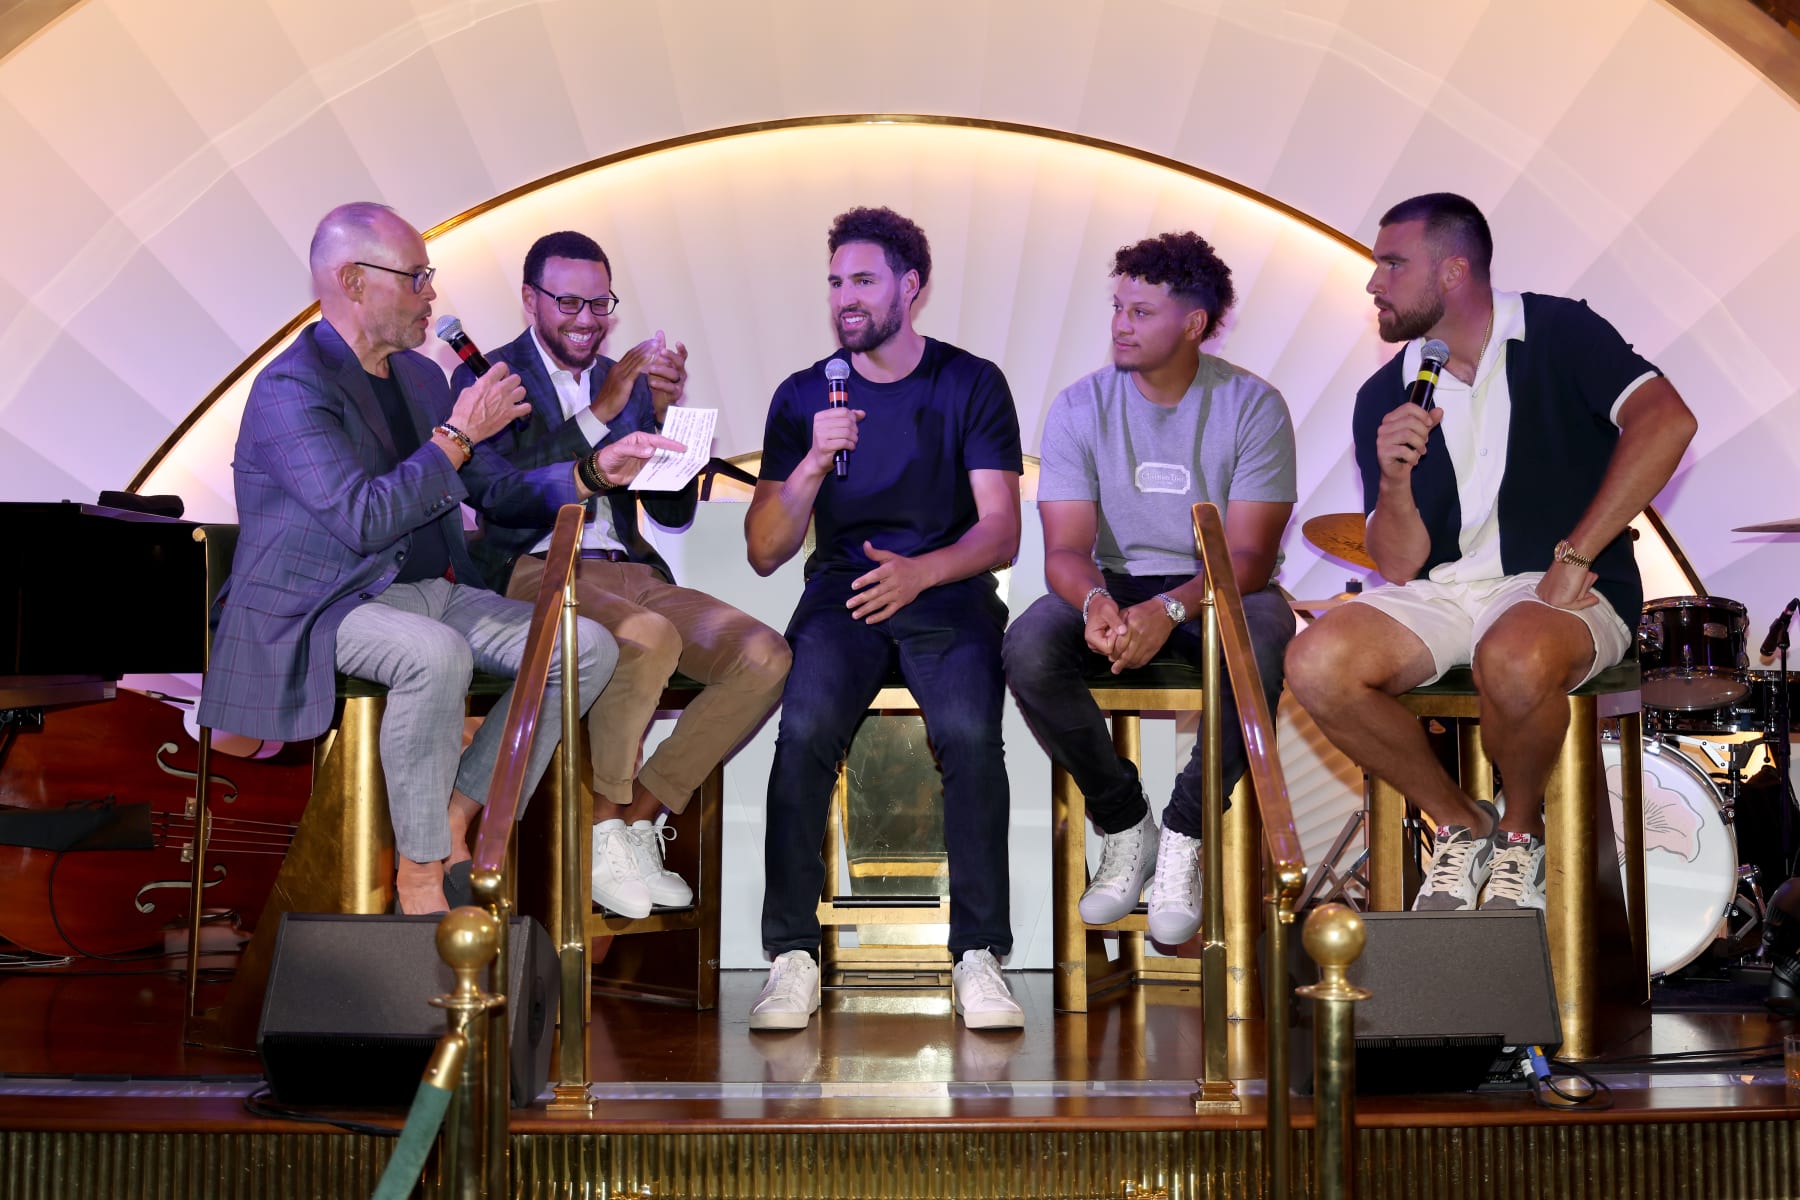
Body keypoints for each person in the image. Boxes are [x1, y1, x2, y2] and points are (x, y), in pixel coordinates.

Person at [196, 202, 621, 916]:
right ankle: (421, 872)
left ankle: (458, 811)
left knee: (584, 648)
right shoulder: (292, 387)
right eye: (416, 278)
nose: (431, 294)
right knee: (434, 655)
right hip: (322, 603)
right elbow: (361, 519)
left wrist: (596, 473)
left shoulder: (423, 380)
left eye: (430, 277)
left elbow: (487, 485)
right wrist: (457, 435)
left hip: (434, 588)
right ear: (354, 281)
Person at [1284, 192, 1697, 912]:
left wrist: (1576, 556)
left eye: (1391, 263)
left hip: (1563, 581)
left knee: (1512, 654)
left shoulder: (1560, 330)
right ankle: (1460, 823)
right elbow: (1399, 562)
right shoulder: (1386, 391)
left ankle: (1519, 836)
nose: (1373, 282)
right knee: (1316, 662)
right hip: (1446, 591)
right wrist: (1393, 477)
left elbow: (1667, 421)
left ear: (1453, 272)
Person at [452, 231, 791, 919]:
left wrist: (663, 418)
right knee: (647, 636)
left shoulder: (627, 382)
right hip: (534, 567)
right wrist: (601, 412)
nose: (586, 318)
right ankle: (599, 826)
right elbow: (498, 493)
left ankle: (638, 819)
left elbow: (668, 510)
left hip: (629, 567)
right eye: (569, 301)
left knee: (765, 655)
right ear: (529, 299)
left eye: (599, 302)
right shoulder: (488, 377)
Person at [744, 206, 1025, 1030]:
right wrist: (809, 465)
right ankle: (793, 953)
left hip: (948, 588)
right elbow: (765, 551)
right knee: (802, 734)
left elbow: (1001, 530)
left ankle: (978, 954)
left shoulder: (971, 382)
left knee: (972, 735)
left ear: (912, 286)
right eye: (835, 282)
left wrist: (922, 573)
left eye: (863, 280)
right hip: (843, 592)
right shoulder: (804, 396)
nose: (845, 299)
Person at [1002, 232, 1297, 944]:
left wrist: (1171, 608)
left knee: (1261, 643)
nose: (1120, 325)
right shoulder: (1080, 407)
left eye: (1141, 311)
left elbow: (1252, 557)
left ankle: (1184, 836)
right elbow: (1066, 550)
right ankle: (1125, 822)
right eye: (1117, 307)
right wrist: (1098, 603)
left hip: (1221, 583)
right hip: (1116, 578)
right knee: (1028, 649)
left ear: (1193, 324)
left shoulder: (1253, 405)